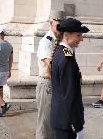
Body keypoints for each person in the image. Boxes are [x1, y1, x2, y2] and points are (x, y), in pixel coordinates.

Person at [50, 18, 89, 139]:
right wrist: (77, 126)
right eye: (78, 35)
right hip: (66, 122)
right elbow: (69, 95)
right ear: (66, 35)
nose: (81, 38)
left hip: (62, 119)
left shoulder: (62, 52)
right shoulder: (66, 58)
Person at [36, 10, 65, 139]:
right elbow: (49, 63)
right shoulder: (46, 41)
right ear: (51, 23)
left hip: (55, 82)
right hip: (47, 82)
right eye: (58, 26)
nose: (61, 28)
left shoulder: (58, 40)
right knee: (45, 119)